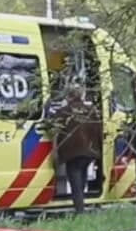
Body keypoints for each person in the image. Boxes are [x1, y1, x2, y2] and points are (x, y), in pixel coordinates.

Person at [44, 80, 103, 212]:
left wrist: (55, 150)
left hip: (73, 153)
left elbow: (53, 128)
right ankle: (80, 207)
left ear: (68, 96)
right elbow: (98, 130)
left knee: (75, 181)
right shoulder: (90, 110)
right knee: (81, 178)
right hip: (89, 152)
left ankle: (80, 211)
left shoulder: (63, 111)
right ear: (81, 95)